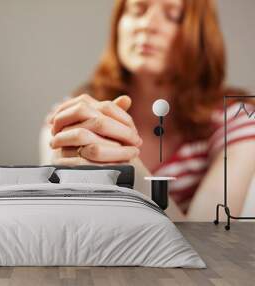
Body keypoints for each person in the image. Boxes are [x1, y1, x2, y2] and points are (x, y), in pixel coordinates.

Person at [39, 0, 255, 221]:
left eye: (173, 15)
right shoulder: (71, 117)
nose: (147, 24)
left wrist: (128, 169)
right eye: (137, 10)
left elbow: (209, 245)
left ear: (201, 37)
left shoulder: (236, 122)